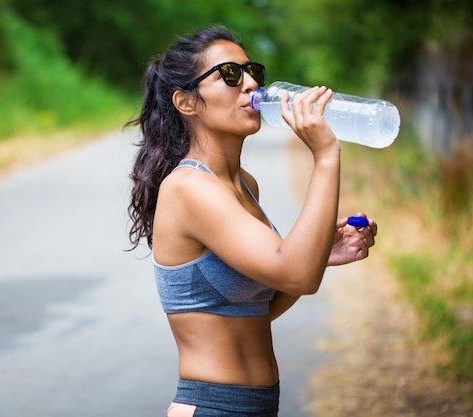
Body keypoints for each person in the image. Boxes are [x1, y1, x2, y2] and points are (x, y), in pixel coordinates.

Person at [125, 25, 377, 417]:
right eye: (229, 74)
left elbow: (260, 305)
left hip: (256, 406)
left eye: (252, 71)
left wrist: (318, 253)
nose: (250, 84)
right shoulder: (189, 188)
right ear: (186, 102)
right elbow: (296, 275)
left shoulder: (244, 185)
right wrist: (325, 156)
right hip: (211, 406)